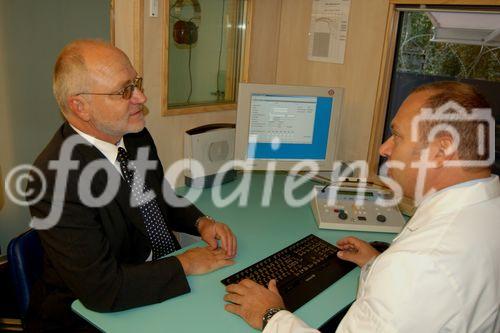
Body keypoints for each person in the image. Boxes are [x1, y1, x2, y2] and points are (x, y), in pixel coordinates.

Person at [224, 81, 500, 332]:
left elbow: (418, 277)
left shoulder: (419, 265)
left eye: (398, 136)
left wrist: (271, 316)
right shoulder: (487, 208)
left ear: (441, 151)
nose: (384, 148)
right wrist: (375, 265)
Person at [26, 39, 237, 332]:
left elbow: (160, 195)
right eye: (125, 91)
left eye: (136, 83)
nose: (141, 97)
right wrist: (185, 264)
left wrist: (200, 222)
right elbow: (102, 290)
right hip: (89, 313)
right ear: (80, 106)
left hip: (152, 279)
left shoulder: (134, 135)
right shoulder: (53, 179)